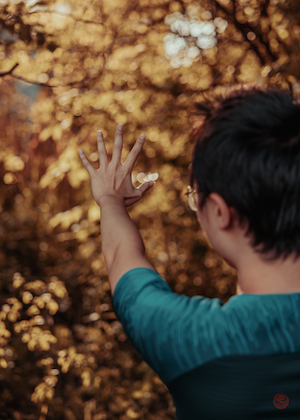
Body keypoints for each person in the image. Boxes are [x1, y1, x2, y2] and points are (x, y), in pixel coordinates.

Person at [79, 84, 300, 419]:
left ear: (221, 212)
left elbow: (122, 260)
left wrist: (110, 201)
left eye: (195, 196)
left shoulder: (194, 342)